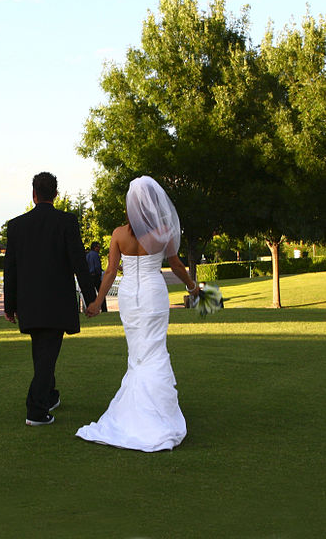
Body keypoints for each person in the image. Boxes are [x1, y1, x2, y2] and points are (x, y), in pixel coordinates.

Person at [77, 176, 198, 452]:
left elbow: (110, 272)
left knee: (138, 353)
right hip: (154, 294)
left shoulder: (119, 234)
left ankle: (136, 411)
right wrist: (192, 287)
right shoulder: (163, 231)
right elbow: (176, 264)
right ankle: (157, 414)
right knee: (154, 349)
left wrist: (96, 302)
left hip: (130, 295)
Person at [4, 171, 97, 426]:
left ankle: (50, 395)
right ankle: (35, 410)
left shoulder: (16, 226)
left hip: (29, 302)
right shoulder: (66, 222)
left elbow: (10, 269)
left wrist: (9, 305)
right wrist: (92, 298)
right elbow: (78, 262)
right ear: (56, 194)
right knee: (46, 355)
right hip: (57, 301)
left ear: (33, 194)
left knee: (42, 352)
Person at [86, 241, 107, 312]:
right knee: (101, 293)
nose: (99, 249)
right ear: (95, 247)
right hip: (96, 276)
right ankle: (104, 309)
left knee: (91, 293)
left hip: (89, 276)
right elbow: (97, 267)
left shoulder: (88, 255)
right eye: (98, 247)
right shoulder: (95, 255)